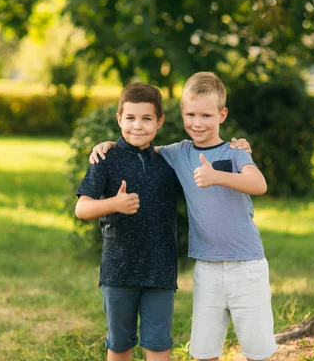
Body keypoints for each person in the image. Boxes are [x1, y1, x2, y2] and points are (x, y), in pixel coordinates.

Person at [90, 72, 276, 361]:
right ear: (181, 113)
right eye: (191, 114)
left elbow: (259, 185)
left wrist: (218, 176)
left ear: (222, 114)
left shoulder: (235, 152)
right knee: (204, 350)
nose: (197, 122)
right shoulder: (178, 152)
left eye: (206, 114)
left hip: (247, 264)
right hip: (206, 265)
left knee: (257, 348)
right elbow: (142, 149)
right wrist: (111, 146)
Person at [75, 82, 181, 361]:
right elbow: (82, 208)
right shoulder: (106, 159)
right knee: (119, 345)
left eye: (146, 118)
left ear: (160, 121)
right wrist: (114, 204)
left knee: (159, 345)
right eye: (130, 118)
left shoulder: (168, 162)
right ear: (119, 119)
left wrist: (238, 147)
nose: (137, 125)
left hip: (160, 272)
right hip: (119, 272)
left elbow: (207, 153)